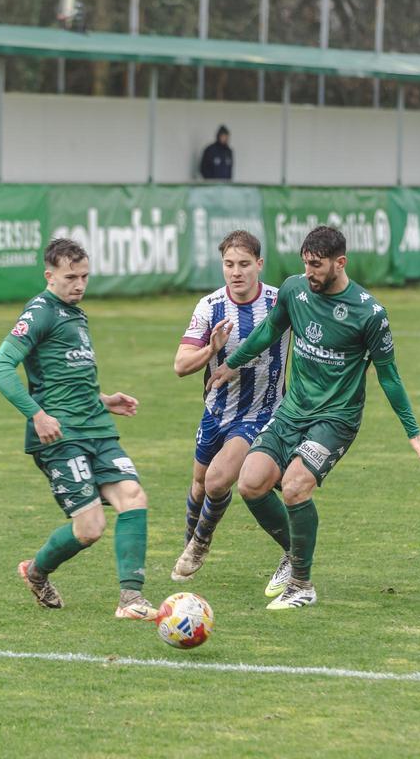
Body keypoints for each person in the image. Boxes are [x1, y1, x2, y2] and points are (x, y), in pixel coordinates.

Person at [209, 226, 420, 610]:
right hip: (292, 410)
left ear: (341, 263)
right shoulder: (294, 290)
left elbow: (389, 374)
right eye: (305, 263)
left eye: (317, 266)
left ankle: (302, 584)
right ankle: (293, 552)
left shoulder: (370, 314)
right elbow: (271, 329)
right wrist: (232, 365)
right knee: (250, 483)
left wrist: (414, 431)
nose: (309, 272)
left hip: (336, 419)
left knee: (294, 487)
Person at [0, 238, 157, 620]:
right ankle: (36, 572)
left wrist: (104, 400)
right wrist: (37, 414)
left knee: (134, 496)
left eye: (84, 276)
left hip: (97, 428)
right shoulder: (40, 312)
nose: (79, 284)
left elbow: (66, 377)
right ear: (49, 276)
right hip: (60, 437)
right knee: (91, 527)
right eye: (70, 277)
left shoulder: (75, 313)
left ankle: (131, 600)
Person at [170, 230, 288, 583]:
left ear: (259, 265)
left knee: (218, 480)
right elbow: (180, 365)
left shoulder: (280, 302)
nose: (236, 272)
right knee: (199, 483)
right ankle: (190, 540)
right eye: (228, 264)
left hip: (263, 413)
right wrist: (211, 349)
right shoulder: (210, 307)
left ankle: (200, 545)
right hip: (216, 412)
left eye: (244, 264)